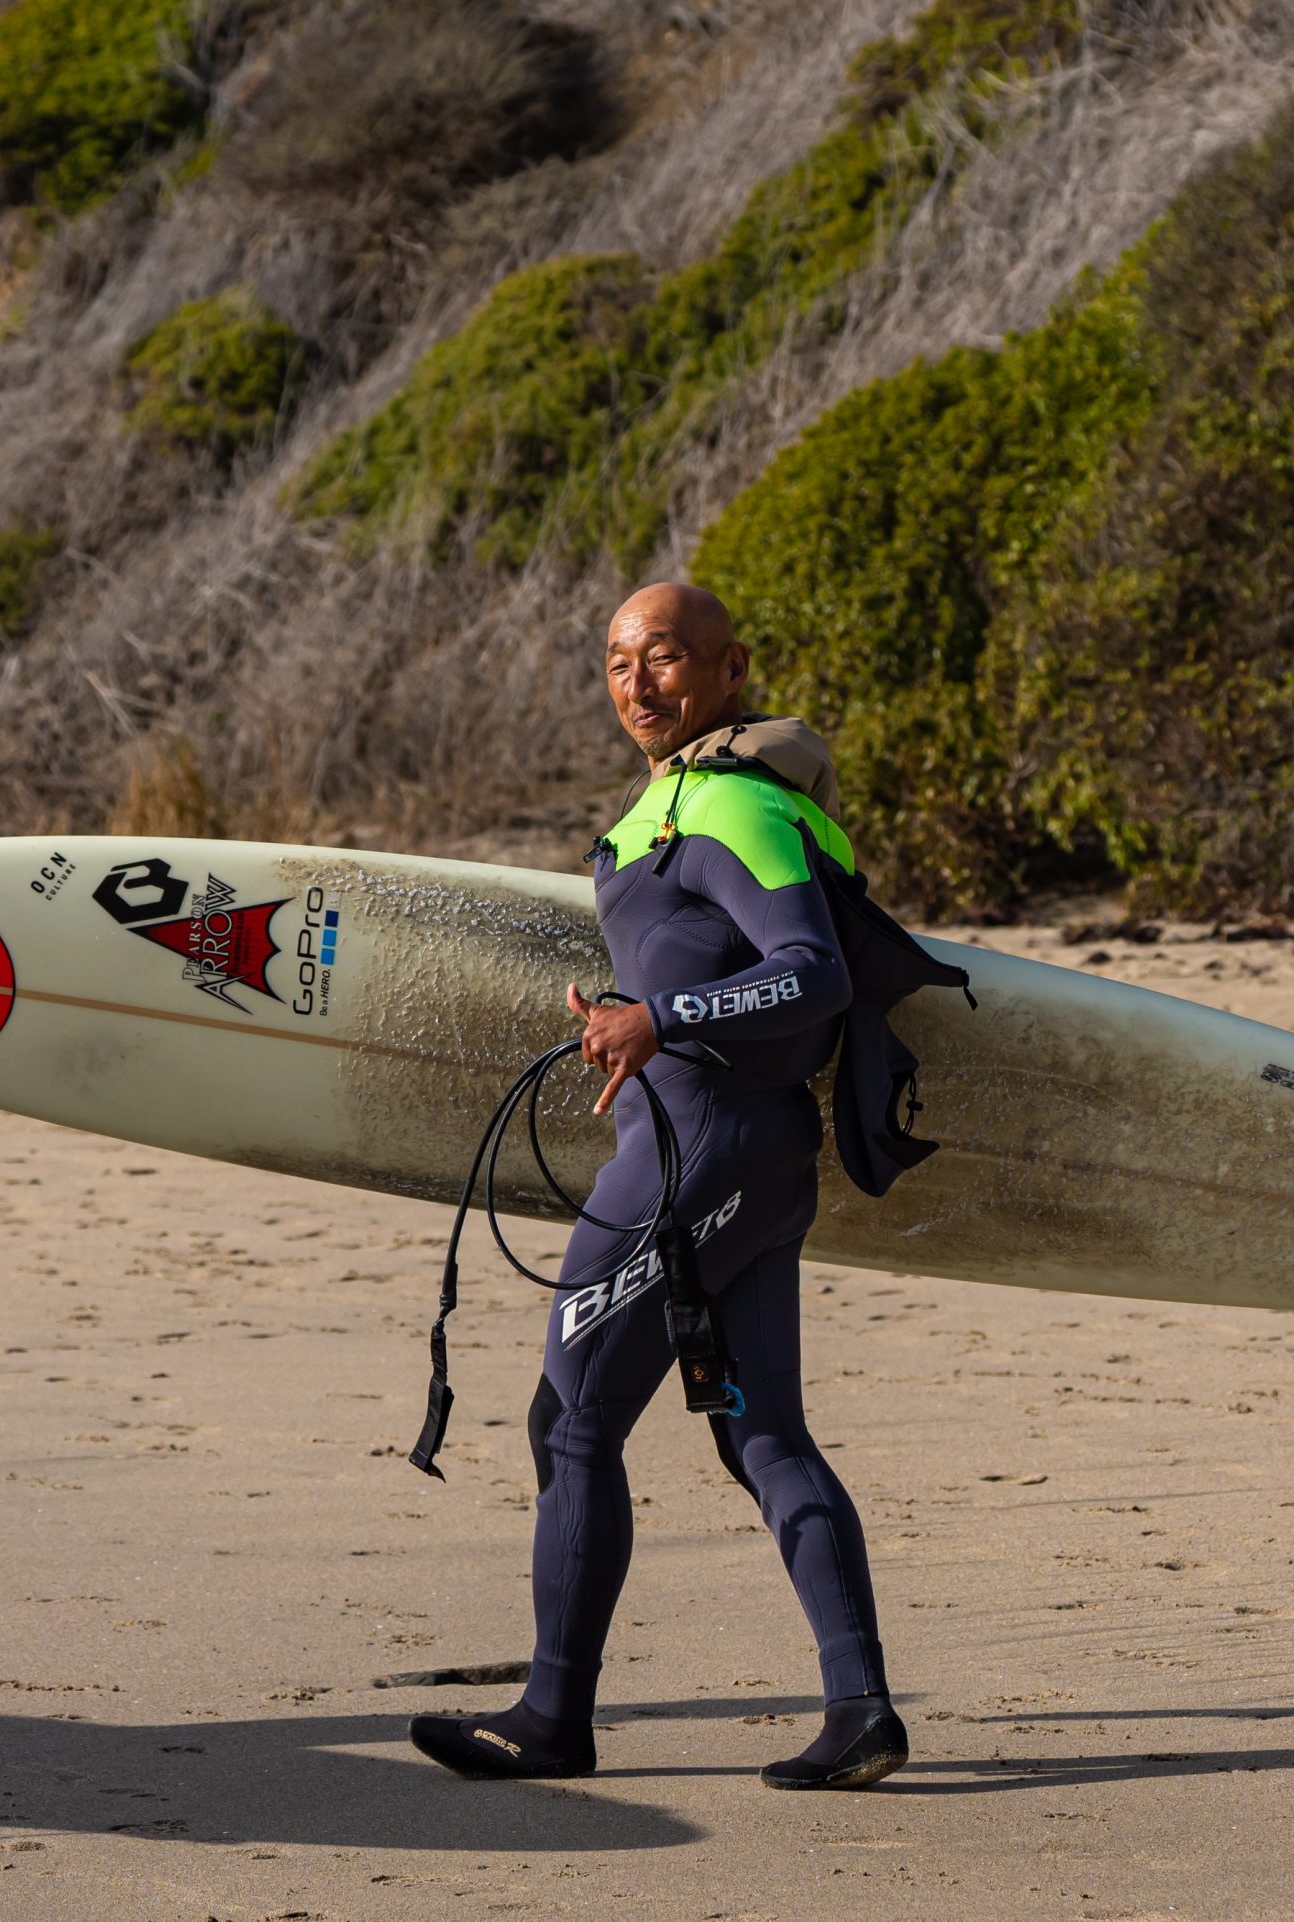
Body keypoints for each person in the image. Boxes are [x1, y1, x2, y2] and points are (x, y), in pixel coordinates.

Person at [407, 583, 907, 1791]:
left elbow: (812, 973)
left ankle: (550, 1714)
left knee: (571, 1414)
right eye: (620, 661)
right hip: (733, 1151)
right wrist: (626, 1017)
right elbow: (709, 968)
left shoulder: (734, 803)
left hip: (706, 1156)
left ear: (730, 667)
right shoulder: (664, 809)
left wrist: (664, 1014)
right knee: (764, 1431)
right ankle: (861, 1711)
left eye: (667, 657)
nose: (639, 681)